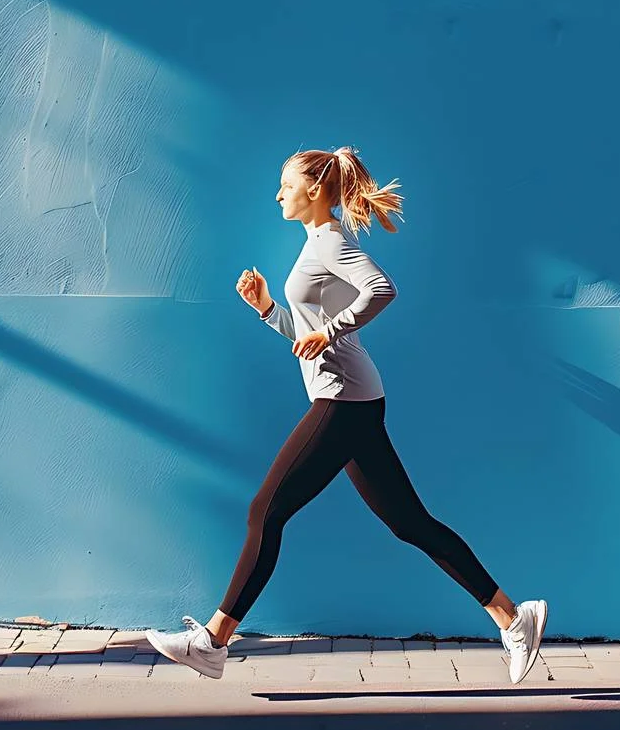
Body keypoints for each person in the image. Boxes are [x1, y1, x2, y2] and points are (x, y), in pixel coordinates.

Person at [145, 146, 547, 683]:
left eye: (285, 185)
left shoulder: (331, 239)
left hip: (343, 399)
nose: (278, 195)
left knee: (265, 511)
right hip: (351, 395)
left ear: (312, 190)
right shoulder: (317, 241)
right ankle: (514, 618)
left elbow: (382, 289)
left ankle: (212, 641)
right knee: (410, 522)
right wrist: (268, 310)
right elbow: (310, 338)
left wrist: (330, 330)